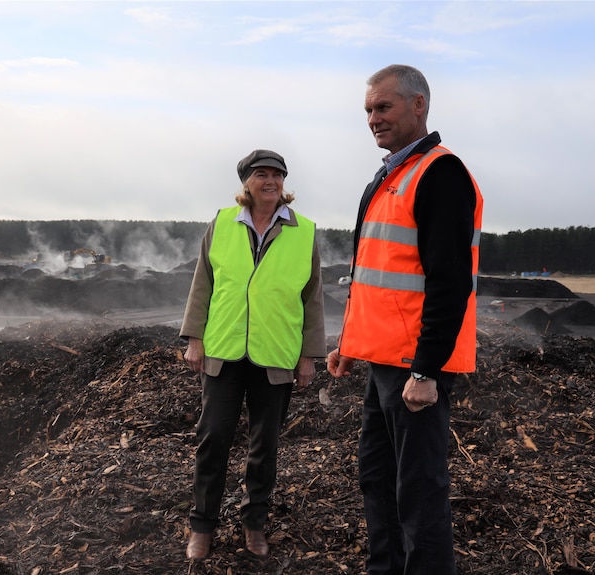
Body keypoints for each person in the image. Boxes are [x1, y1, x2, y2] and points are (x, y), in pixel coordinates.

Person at [327, 64, 483, 575]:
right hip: (382, 364)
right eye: (368, 110)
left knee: (418, 494)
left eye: (384, 107)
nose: (373, 118)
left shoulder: (439, 173)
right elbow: (377, 275)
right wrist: (350, 342)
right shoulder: (390, 176)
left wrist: (427, 370)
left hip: (414, 368)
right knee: (377, 481)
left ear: (418, 105)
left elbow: (449, 281)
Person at [180, 149, 326, 560]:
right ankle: (202, 528)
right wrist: (194, 337)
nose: (271, 181)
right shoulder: (222, 223)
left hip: (276, 355)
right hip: (223, 352)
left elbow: (312, 298)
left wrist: (309, 355)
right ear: (246, 182)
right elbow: (202, 284)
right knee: (212, 440)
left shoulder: (304, 231)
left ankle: (254, 525)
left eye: (277, 175)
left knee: (265, 446)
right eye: (261, 174)